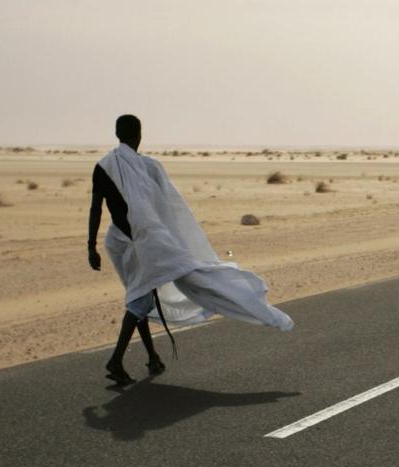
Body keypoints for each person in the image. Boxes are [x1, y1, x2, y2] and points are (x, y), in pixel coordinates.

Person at [88, 114, 293, 386]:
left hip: (118, 241)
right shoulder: (146, 167)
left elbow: (96, 208)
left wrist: (91, 246)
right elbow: (167, 207)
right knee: (141, 298)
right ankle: (116, 360)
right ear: (139, 135)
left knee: (141, 294)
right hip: (143, 242)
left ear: (117, 134)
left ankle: (152, 357)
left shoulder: (104, 167)